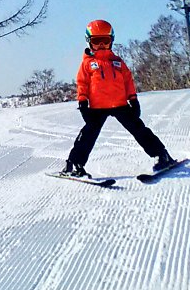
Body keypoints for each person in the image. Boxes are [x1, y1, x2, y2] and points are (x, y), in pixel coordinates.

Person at [62, 19, 175, 178]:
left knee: (139, 130)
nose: (101, 45)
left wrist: (133, 99)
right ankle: (74, 164)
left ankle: (162, 155)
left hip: (120, 104)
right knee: (88, 135)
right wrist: (82, 101)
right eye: (96, 42)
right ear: (89, 42)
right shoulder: (87, 64)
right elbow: (82, 83)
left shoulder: (117, 62)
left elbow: (128, 80)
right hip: (97, 107)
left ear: (111, 41)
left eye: (105, 41)